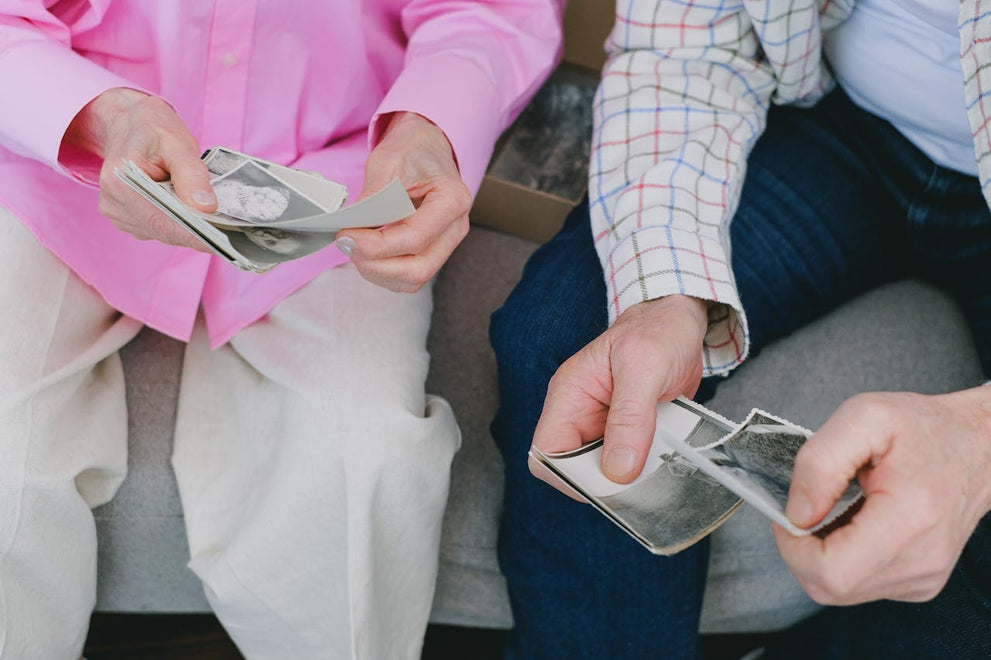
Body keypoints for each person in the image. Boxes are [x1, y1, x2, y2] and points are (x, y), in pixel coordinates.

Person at [0, 1, 562, 658]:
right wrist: (102, 115)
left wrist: (428, 129)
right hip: (51, 159)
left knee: (366, 455)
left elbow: (488, 14)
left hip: (338, 172)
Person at [490, 0, 991, 657]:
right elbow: (680, 44)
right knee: (579, 340)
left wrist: (977, 441)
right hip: (840, 120)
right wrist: (660, 296)